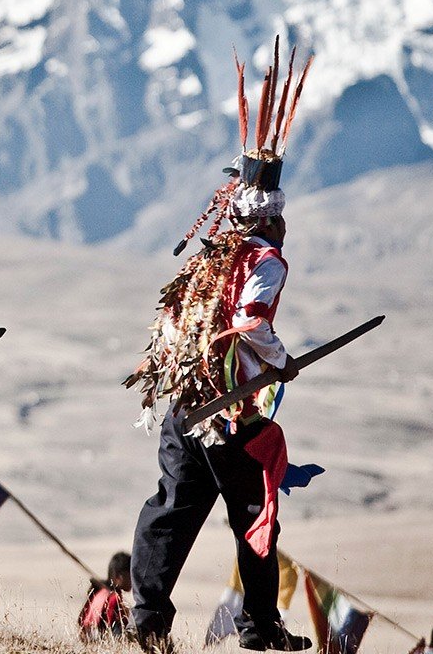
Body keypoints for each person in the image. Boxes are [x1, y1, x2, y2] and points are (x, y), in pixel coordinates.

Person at [122, 39, 315, 653]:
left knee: (173, 508)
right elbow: (252, 320)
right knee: (255, 518)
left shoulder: (209, 257)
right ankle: (259, 628)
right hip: (229, 411)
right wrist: (282, 361)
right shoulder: (265, 258)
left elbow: (174, 324)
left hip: (183, 402)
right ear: (273, 217)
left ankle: (147, 620)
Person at [80, 552, 134, 641]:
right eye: (131, 575)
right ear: (119, 576)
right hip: (100, 641)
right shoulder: (113, 598)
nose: (133, 580)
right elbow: (114, 630)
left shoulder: (100, 593)